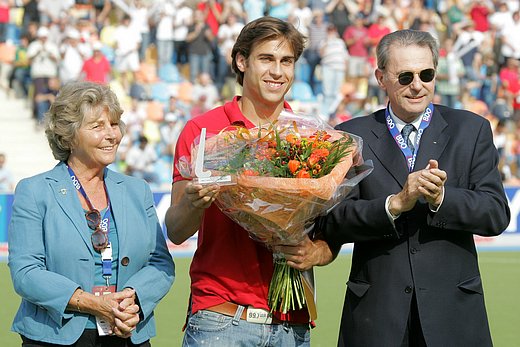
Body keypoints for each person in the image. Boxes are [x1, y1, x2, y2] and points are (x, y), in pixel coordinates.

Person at [280, 29, 511, 346]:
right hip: (376, 319)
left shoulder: (471, 129)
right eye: (405, 76)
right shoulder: (350, 136)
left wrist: (441, 198)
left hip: (454, 318)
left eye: (426, 74)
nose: (417, 85)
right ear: (381, 77)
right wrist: (393, 204)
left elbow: (496, 214)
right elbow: (330, 221)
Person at [165, 16, 311, 346]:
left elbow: (326, 227)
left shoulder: (308, 136)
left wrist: (316, 249)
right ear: (242, 61)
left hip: (292, 322)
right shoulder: (203, 132)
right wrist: (194, 200)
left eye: (286, 61)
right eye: (267, 59)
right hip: (220, 318)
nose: (278, 72)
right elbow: (175, 230)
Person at [8, 81, 175, 346]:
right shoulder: (35, 191)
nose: (112, 134)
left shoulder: (137, 190)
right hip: (55, 337)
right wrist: (93, 303)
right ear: (69, 136)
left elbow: (160, 263)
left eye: (114, 124)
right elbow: (26, 272)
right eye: (98, 126)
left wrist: (133, 298)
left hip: (127, 331)